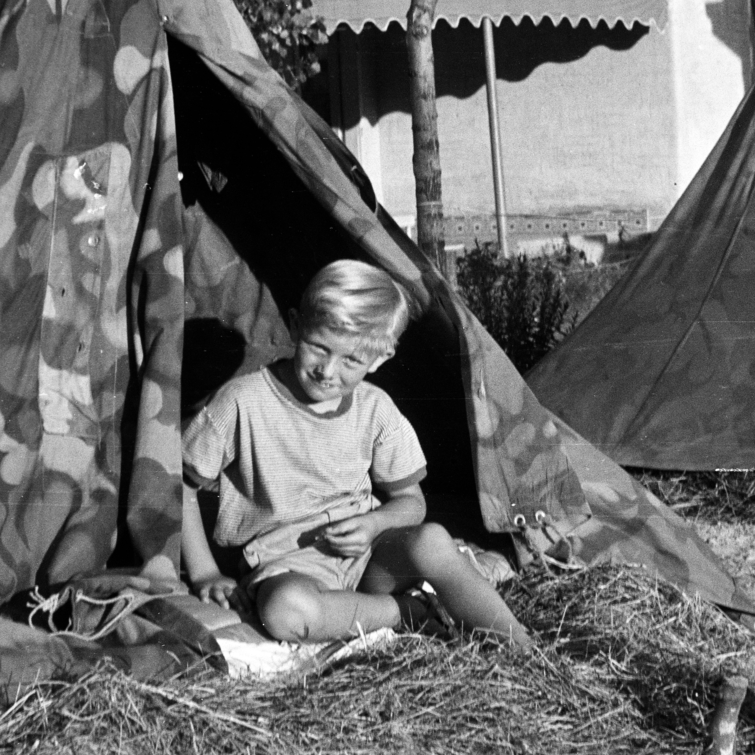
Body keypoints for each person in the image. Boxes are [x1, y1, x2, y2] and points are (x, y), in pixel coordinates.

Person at [174, 259, 529, 646]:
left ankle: (521, 645)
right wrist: (206, 573)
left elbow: (411, 502)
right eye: (318, 347)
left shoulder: (376, 409)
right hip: (287, 566)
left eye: (352, 360)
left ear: (379, 359)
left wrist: (374, 525)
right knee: (285, 611)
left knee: (431, 540)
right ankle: (407, 614)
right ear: (295, 326)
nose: (328, 370)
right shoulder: (242, 402)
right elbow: (182, 486)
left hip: (369, 557)